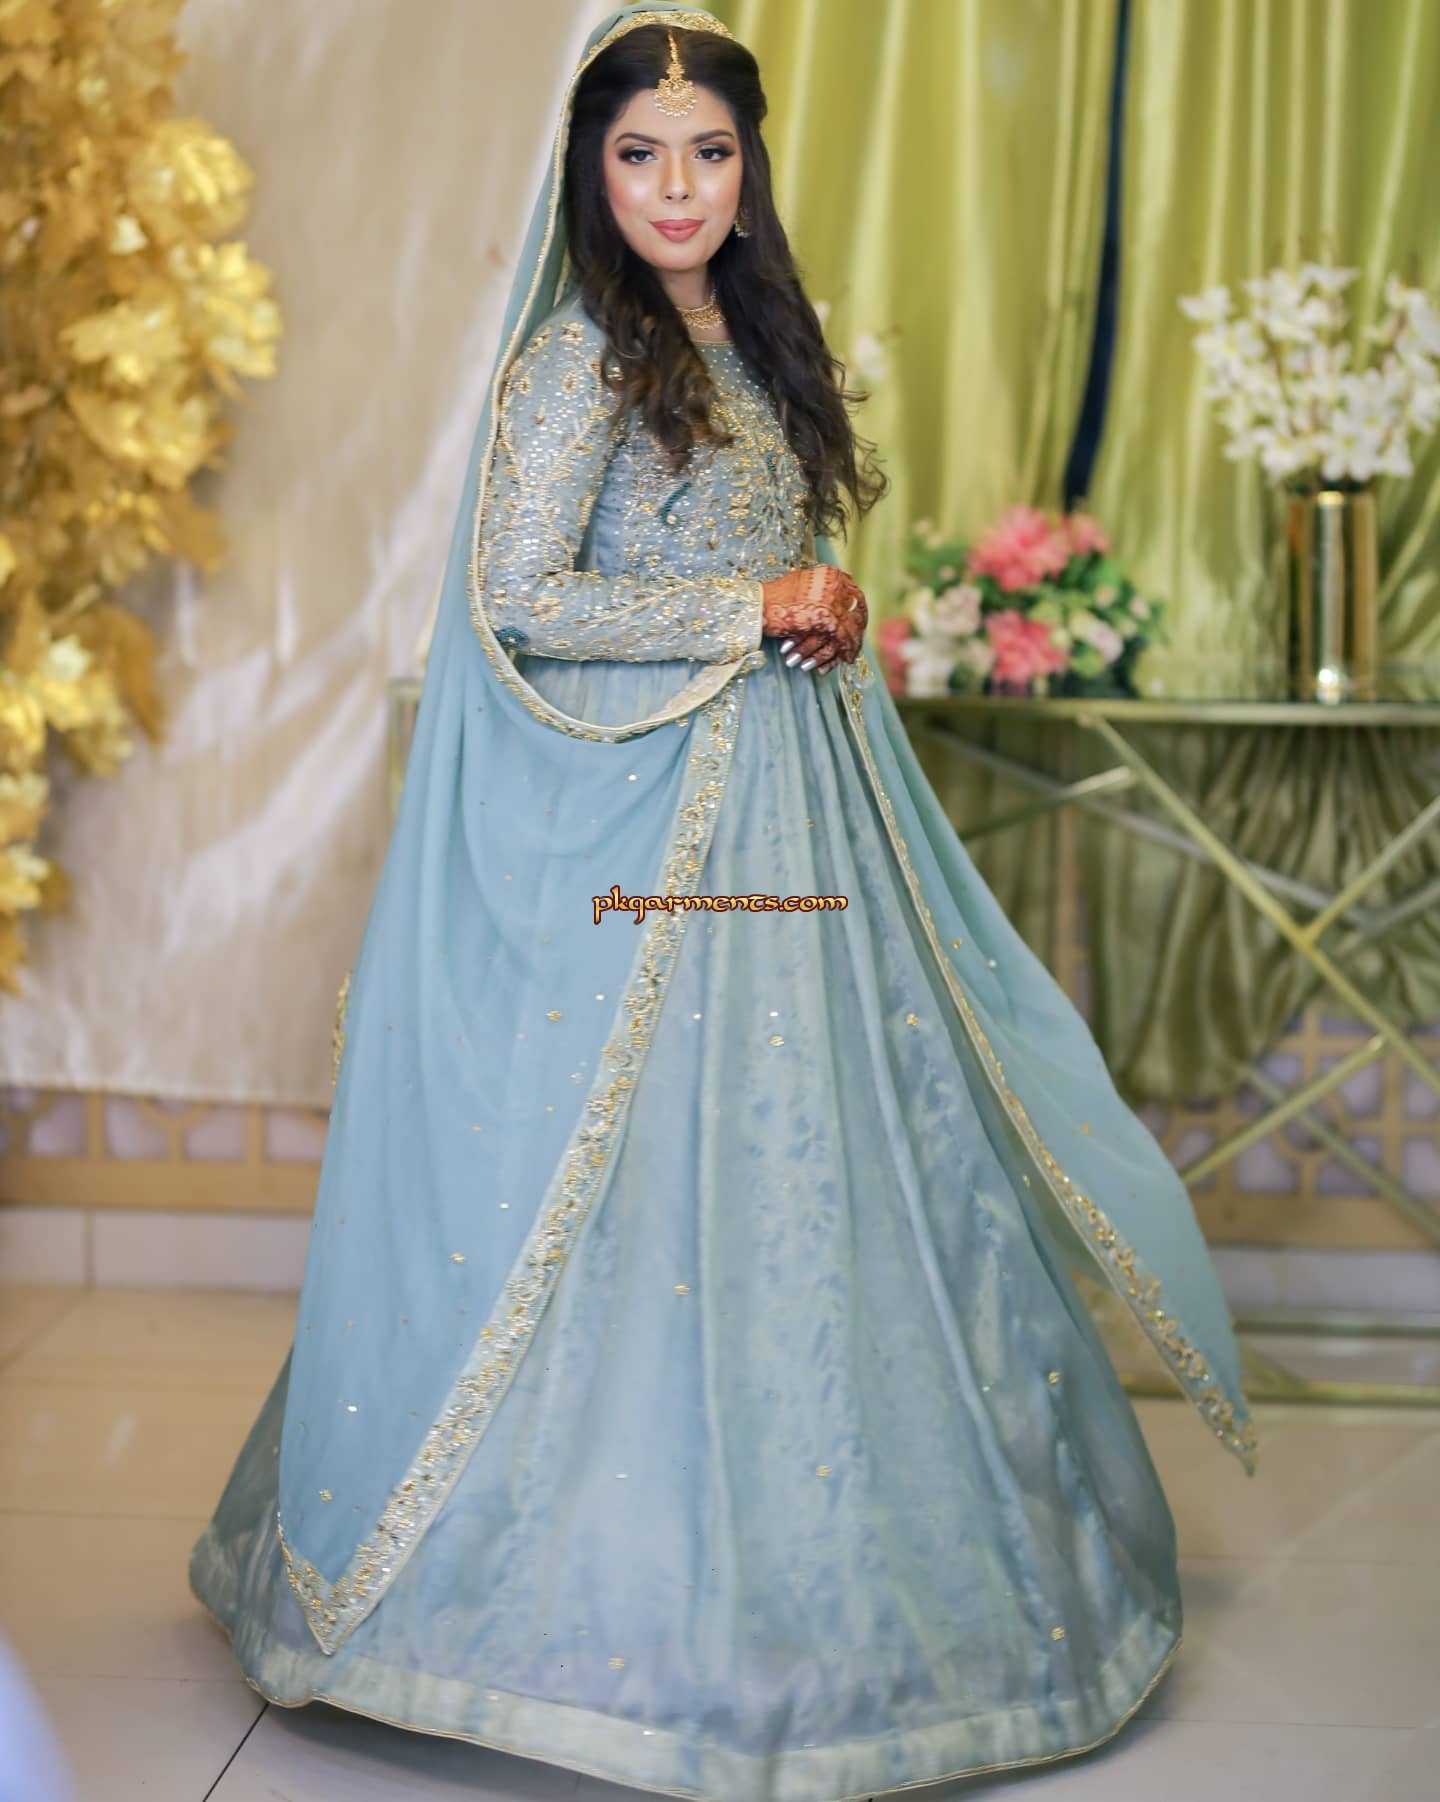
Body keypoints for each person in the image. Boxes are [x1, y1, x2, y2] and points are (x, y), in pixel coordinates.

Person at [191, 8, 1256, 1799]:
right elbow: (519, 596)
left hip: (791, 801)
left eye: (708, 152)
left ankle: (858, 1594)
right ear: (590, 177)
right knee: (637, 1178)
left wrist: (814, 601)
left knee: (824, 1165)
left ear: (749, 171)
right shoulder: (576, 362)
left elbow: (762, 560)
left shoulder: (746, 338)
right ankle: (577, 1613)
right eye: (639, 155)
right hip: (651, 828)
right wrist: (749, 608)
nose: (677, 187)